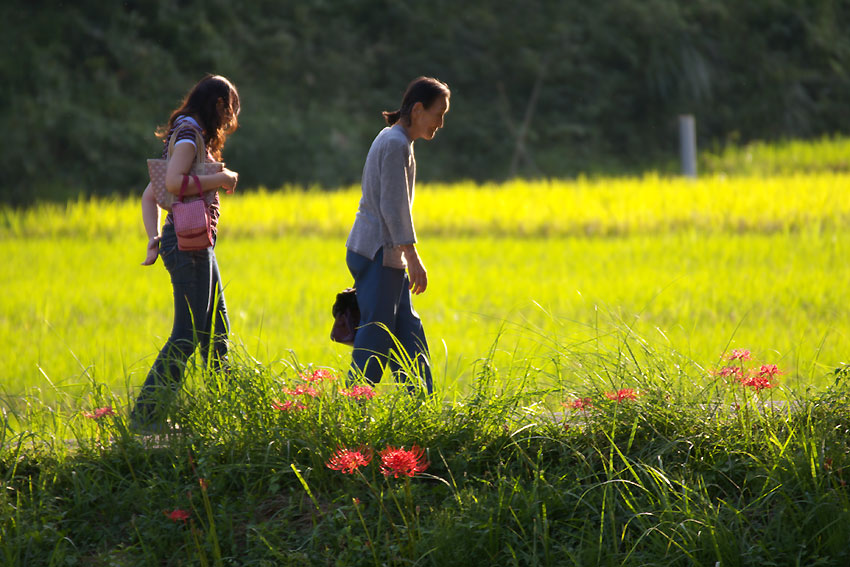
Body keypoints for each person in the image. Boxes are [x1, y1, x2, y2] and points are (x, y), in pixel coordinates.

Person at [132, 74, 240, 430]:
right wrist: (221, 178)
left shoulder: (184, 134)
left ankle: (229, 413)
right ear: (219, 105)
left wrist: (153, 238)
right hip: (189, 245)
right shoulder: (190, 136)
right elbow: (175, 184)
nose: (230, 120)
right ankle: (145, 418)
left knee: (216, 331)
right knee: (188, 333)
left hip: (192, 244)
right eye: (230, 110)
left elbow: (152, 195)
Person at [345, 76, 451, 395]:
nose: (441, 123)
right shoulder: (395, 144)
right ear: (418, 109)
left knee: (409, 333)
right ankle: (352, 410)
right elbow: (394, 207)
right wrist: (414, 258)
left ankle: (421, 404)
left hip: (385, 253)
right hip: (379, 252)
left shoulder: (397, 140)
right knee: (376, 337)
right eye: (439, 114)